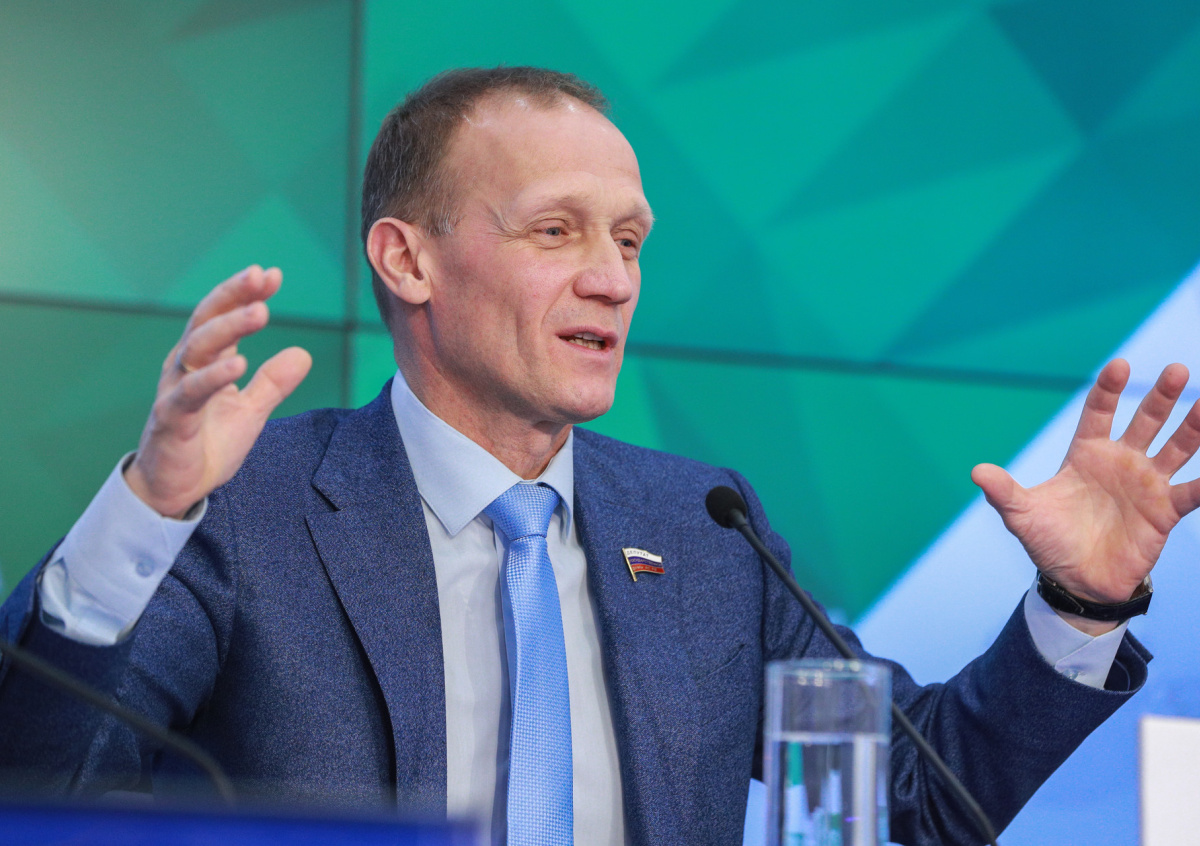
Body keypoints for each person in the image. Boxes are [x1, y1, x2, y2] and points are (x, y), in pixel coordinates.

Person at [1, 66, 1197, 846]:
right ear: (409, 260)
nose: (613, 279)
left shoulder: (705, 531)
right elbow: (45, 784)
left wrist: (1079, 604)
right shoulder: (242, 510)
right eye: (557, 231)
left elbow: (916, 799)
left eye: (629, 240)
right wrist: (148, 511)